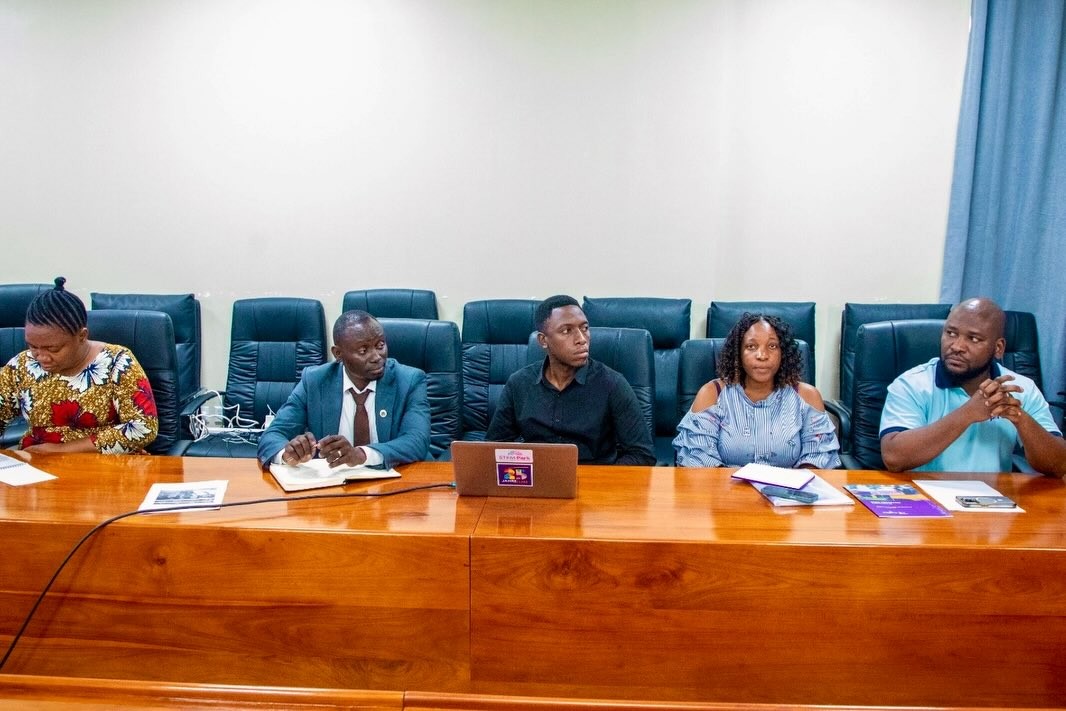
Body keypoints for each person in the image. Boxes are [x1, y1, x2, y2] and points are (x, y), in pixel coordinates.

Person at [880, 297, 1065, 475]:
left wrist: (1019, 418)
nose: (957, 346)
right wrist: (968, 413)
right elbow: (894, 458)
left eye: (974, 339)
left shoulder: (1020, 388)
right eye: (951, 333)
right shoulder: (912, 384)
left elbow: (1059, 465)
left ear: (998, 348)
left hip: (994, 494)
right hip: (922, 494)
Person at [485, 295, 655, 465]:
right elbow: (492, 449)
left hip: (594, 476)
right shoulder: (519, 384)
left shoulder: (613, 384)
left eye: (585, 328)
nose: (581, 339)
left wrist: (602, 478)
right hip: (539, 477)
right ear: (543, 341)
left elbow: (642, 454)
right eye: (566, 331)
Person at [0, 277, 159, 454]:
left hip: (103, 464)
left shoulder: (117, 362)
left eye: (53, 349)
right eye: (33, 346)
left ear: (82, 336)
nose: (41, 357)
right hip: (35, 462)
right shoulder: (22, 365)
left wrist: (60, 450)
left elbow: (143, 428)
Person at [257, 310, 430, 469]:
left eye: (380, 345)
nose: (377, 357)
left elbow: (416, 441)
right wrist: (289, 454)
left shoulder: (409, 380)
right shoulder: (315, 381)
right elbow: (273, 435)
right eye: (363, 350)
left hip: (396, 479)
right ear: (338, 354)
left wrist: (361, 455)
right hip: (334, 483)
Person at [673, 313, 840, 469]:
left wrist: (791, 485)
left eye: (772, 346)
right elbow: (698, 459)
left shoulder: (807, 396)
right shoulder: (712, 394)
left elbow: (818, 457)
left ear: (783, 353)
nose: (762, 355)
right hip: (725, 488)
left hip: (788, 489)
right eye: (751, 346)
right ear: (738, 353)